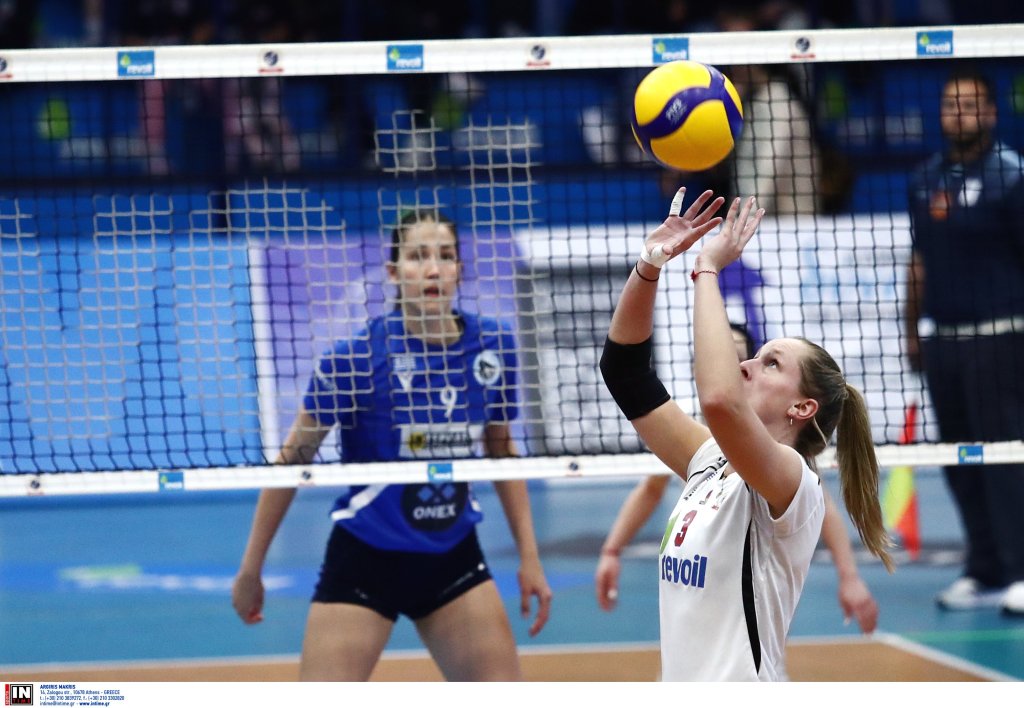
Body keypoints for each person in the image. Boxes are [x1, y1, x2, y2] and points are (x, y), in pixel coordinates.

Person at [232, 209, 553, 680]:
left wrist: (530, 557)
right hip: (366, 559)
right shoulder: (354, 360)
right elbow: (292, 460)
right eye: (418, 256)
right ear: (393, 272)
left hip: (452, 558)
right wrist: (250, 569)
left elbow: (501, 450)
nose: (433, 269)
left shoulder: (494, 346)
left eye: (445, 256)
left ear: (459, 269)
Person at [600, 188, 892, 680]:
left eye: (770, 363)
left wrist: (707, 268)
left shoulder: (794, 482)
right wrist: (649, 265)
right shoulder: (709, 459)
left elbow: (719, 400)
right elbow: (625, 372)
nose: (747, 365)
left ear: (803, 407)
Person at [595, 323, 880, 637]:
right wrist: (612, 550)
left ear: (801, 406)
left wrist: (849, 575)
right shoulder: (703, 447)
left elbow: (825, 509)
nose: (737, 368)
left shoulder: (789, 470)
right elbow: (651, 486)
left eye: (765, 362)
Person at [904, 69, 1024, 616]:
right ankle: (984, 569)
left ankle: (1020, 570)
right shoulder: (924, 180)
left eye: (971, 104)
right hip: (944, 342)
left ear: (992, 113)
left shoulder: (1012, 177)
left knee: (1004, 458)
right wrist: (912, 329)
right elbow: (920, 260)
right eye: (951, 104)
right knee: (958, 459)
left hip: (1001, 337)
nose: (960, 113)